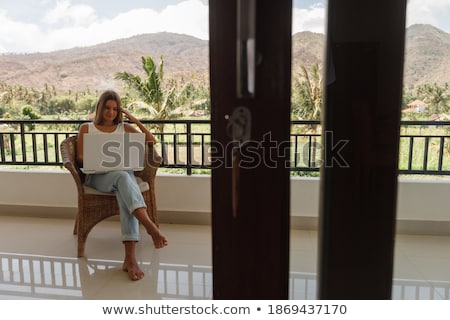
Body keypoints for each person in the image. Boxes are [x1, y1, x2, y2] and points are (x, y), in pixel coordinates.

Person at [76, 90, 168, 281]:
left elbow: (151, 141)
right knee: (124, 177)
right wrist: (104, 159)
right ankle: (149, 226)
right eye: (107, 108)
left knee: (124, 182)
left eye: (115, 109)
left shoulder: (123, 127)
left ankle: (130, 258)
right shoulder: (87, 128)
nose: (111, 112)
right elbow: (80, 157)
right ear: (100, 108)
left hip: (121, 178)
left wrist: (131, 118)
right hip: (97, 177)